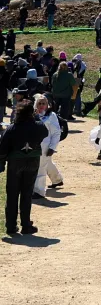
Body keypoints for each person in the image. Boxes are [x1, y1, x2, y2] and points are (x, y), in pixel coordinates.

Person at [1, 101, 49, 235]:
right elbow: (45, 132)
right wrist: (36, 117)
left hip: (15, 163)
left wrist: (1, 163)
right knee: (27, 193)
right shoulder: (38, 126)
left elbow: (2, 148)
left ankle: (11, 226)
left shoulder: (12, 128)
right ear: (31, 112)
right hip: (32, 161)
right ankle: (26, 225)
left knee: (12, 194)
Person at [33, 95, 64, 197]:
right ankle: (57, 179)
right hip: (34, 146)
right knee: (47, 163)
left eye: (44, 103)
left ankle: (39, 191)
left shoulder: (51, 115)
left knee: (40, 168)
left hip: (45, 147)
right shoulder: (33, 114)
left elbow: (56, 133)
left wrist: (52, 147)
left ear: (47, 105)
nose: (41, 105)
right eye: (39, 103)